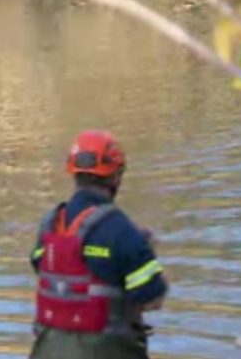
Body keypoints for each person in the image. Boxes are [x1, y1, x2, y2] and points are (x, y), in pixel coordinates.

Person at [28, 130, 168, 359]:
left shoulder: (50, 223)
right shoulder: (122, 230)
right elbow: (153, 297)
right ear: (116, 176)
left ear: (74, 173)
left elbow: (42, 266)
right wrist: (145, 251)